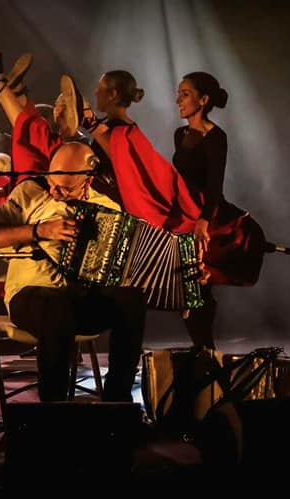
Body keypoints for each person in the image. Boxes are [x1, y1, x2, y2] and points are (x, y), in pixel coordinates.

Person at [88, 70, 265, 350]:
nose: (178, 100)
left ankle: (205, 350)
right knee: (189, 280)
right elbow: (175, 178)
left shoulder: (216, 137)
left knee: (198, 279)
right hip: (181, 207)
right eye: (178, 93)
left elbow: (214, 184)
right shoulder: (180, 134)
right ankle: (202, 348)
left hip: (205, 214)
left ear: (203, 100)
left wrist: (203, 221)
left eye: (185, 94)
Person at [0, 142, 147, 402]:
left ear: (87, 180)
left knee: (131, 298)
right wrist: (39, 230)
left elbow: (125, 266)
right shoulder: (30, 192)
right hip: (31, 297)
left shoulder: (107, 208)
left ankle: (117, 399)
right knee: (56, 305)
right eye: (52, 183)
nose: (55, 192)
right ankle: (54, 407)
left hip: (81, 302)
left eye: (65, 188)